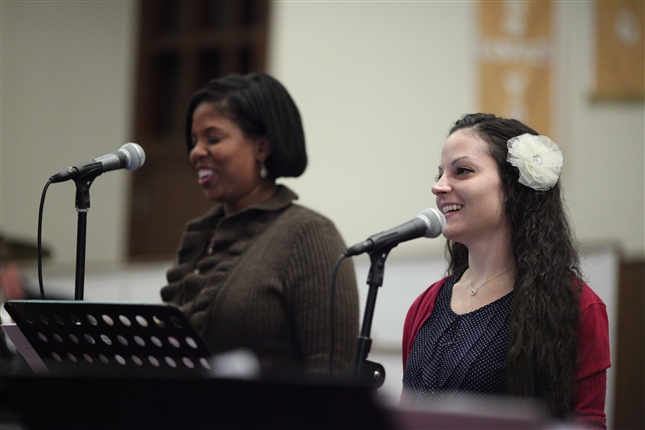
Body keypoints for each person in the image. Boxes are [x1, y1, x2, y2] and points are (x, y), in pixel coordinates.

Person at [401, 113, 610, 427]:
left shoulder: (575, 304)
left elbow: (586, 423)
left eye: (462, 171)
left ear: (512, 187)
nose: (439, 187)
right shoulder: (426, 304)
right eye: (440, 173)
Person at [160, 73, 359, 380]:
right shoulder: (200, 236)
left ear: (262, 147)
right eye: (194, 140)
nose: (196, 152)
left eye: (213, 138)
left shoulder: (309, 234)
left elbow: (331, 371)